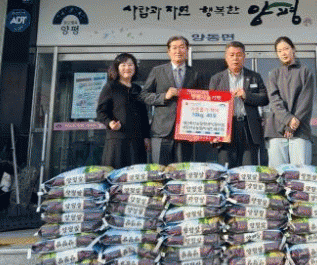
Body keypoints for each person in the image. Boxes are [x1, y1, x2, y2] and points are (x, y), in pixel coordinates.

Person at [140, 36, 200, 165]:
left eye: (182, 47)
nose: (178, 51)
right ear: (168, 51)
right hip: (161, 132)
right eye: (174, 48)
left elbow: (203, 100)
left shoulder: (195, 74)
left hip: (186, 131)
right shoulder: (157, 71)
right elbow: (144, 95)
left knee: (181, 171)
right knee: (160, 170)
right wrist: (164, 97)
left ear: (187, 50)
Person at [209, 41, 269, 167]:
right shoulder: (217, 79)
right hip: (226, 129)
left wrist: (247, 96)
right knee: (226, 168)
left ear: (244, 57)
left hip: (248, 128)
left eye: (239, 55)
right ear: (226, 57)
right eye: (231, 55)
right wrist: (212, 133)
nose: (235, 58)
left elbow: (264, 99)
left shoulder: (254, 77)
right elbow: (211, 107)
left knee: (248, 168)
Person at [265, 36, 314, 168]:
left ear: (293, 49)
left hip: (300, 130)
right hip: (276, 130)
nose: (283, 53)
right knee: (277, 173)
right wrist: (288, 120)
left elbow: (305, 102)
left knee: (300, 173)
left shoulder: (305, 72)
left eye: (286, 48)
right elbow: (274, 100)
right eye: (279, 51)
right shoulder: (274, 74)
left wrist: (292, 126)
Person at [96, 53, 151, 168]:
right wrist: (110, 123)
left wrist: (146, 137)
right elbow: (101, 111)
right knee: (116, 174)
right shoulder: (111, 87)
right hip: (118, 140)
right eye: (123, 65)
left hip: (137, 141)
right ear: (117, 68)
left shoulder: (137, 89)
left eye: (130, 65)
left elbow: (144, 115)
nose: (127, 68)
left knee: (136, 172)